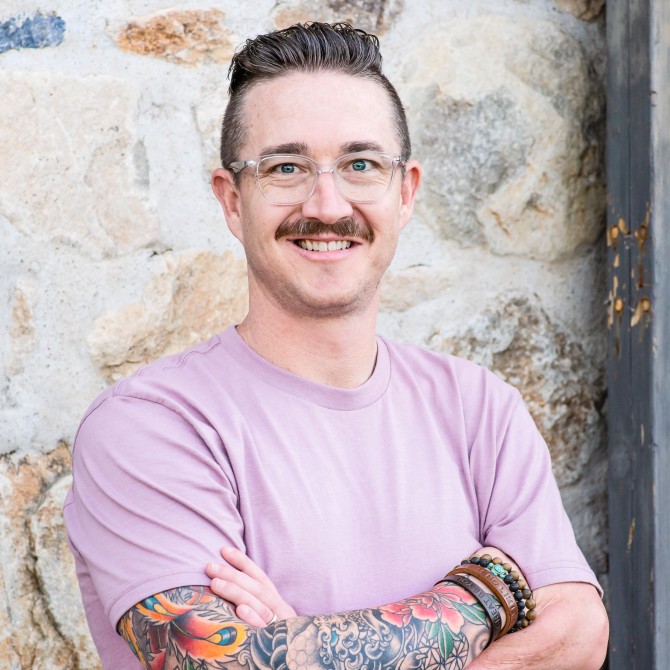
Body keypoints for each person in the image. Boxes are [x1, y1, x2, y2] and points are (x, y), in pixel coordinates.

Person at [64, 22, 609, 670]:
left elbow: (578, 635)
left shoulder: (480, 410)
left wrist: (302, 646)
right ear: (232, 201)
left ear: (404, 192)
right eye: (286, 168)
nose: (326, 204)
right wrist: (485, 596)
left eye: (360, 165)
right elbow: (222, 662)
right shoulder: (153, 426)